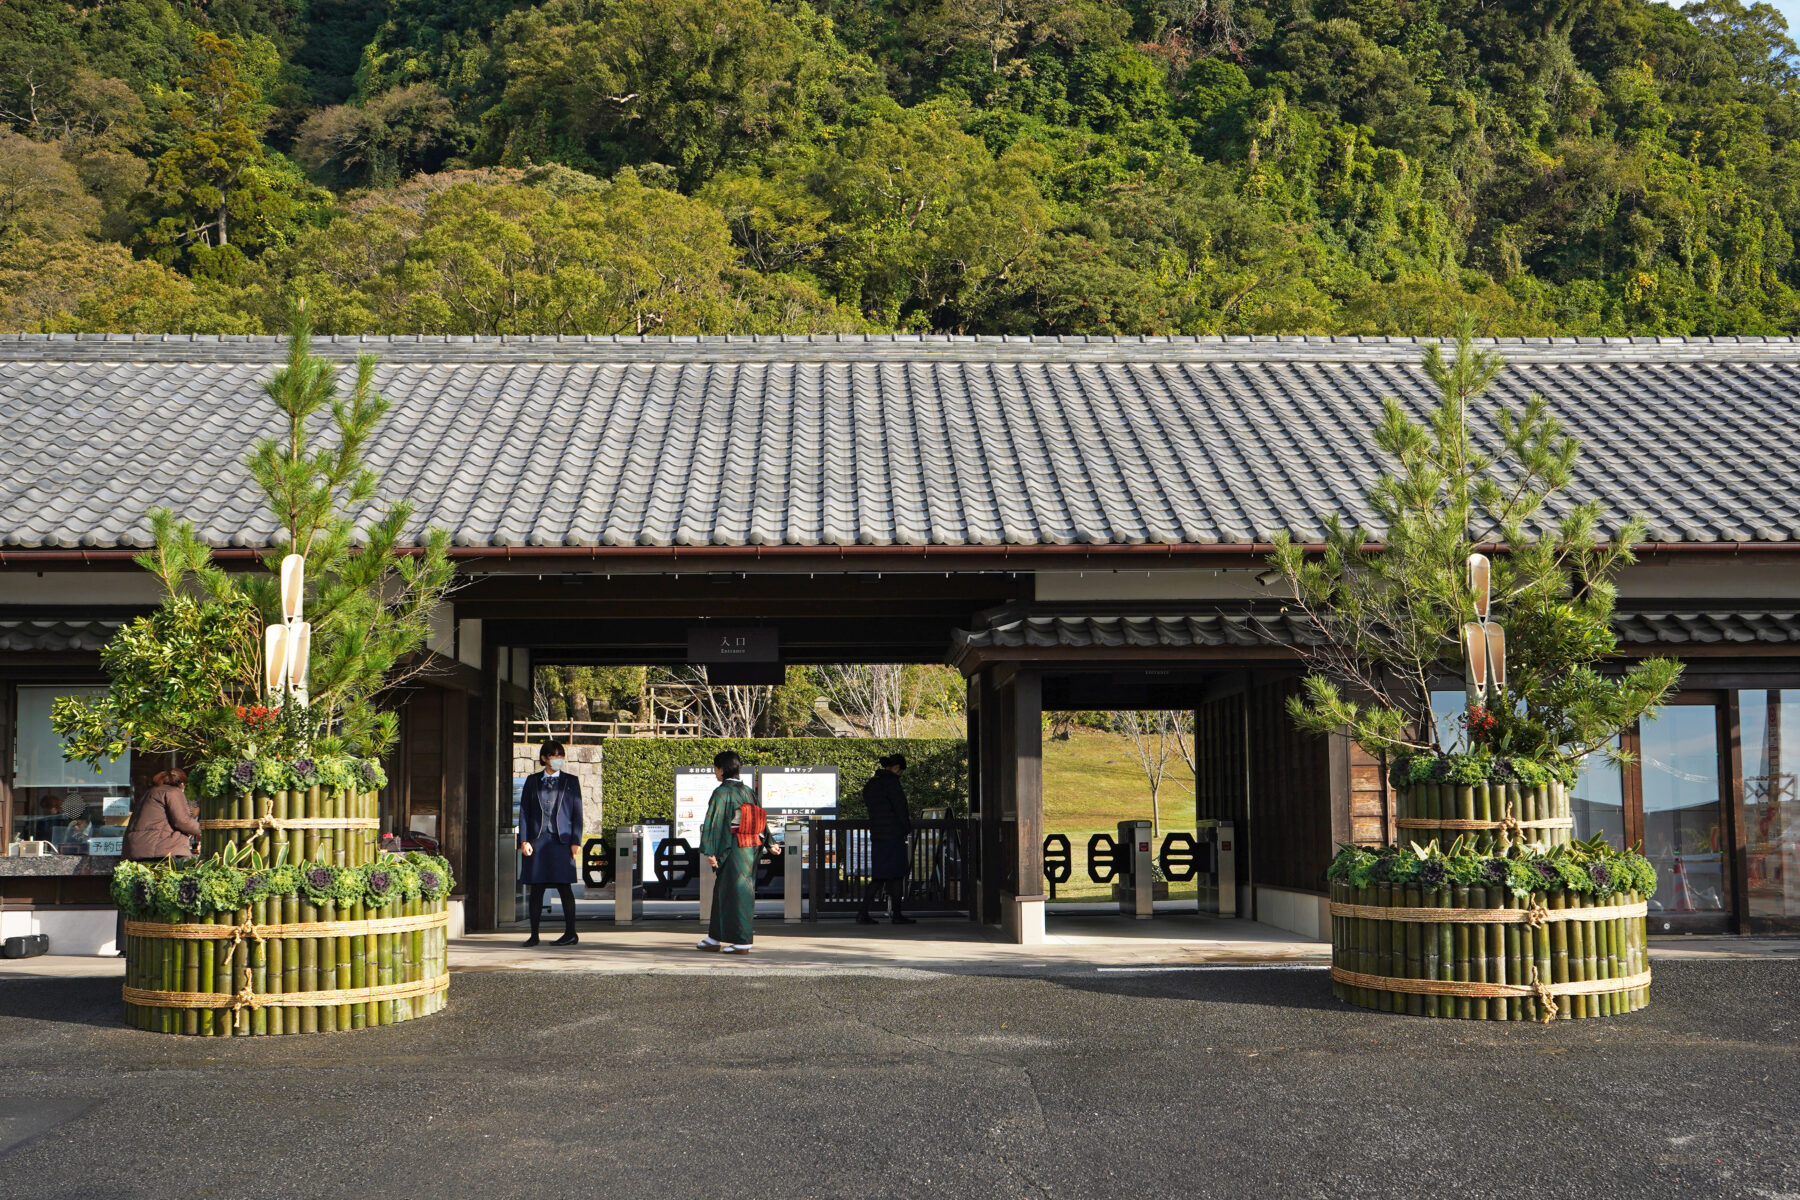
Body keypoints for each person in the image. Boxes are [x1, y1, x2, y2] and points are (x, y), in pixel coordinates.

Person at [697, 750, 778, 954]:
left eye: (716, 768)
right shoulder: (747, 791)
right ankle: (714, 937)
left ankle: (742, 941)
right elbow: (760, 818)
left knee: (739, 892)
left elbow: (713, 822)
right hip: (751, 846)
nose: (715, 772)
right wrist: (769, 842)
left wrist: (709, 850)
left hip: (734, 846)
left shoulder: (722, 792)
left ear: (722, 770)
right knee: (725, 891)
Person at [117, 768, 201, 955]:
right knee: (165, 894)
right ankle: (164, 934)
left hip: (137, 849)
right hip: (163, 851)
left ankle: (126, 944)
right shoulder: (172, 793)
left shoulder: (149, 793)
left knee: (135, 893)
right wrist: (207, 829)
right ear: (181, 784)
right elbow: (182, 821)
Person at [518, 740, 582, 947]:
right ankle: (534, 934)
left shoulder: (571, 781)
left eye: (561, 756)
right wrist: (524, 840)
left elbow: (577, 813)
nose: (558, 760)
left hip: (562, 841)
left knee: (565, 888)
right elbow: (525, 811)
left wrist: (576, 841)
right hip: (537, 840)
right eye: (554, 756)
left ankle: (571, 933)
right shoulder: (532, 780)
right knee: (536, 888)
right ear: (544, 758)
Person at [858, 754, 915, 925]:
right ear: (897, 768)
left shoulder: (872, 784)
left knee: (879, 875)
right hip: (893, 834)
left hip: (878, 834)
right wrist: (906, 828)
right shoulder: (892, 783)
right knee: (896, 875)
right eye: (901, 771)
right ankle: (896, 914)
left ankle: (864, 912)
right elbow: (900, 809)